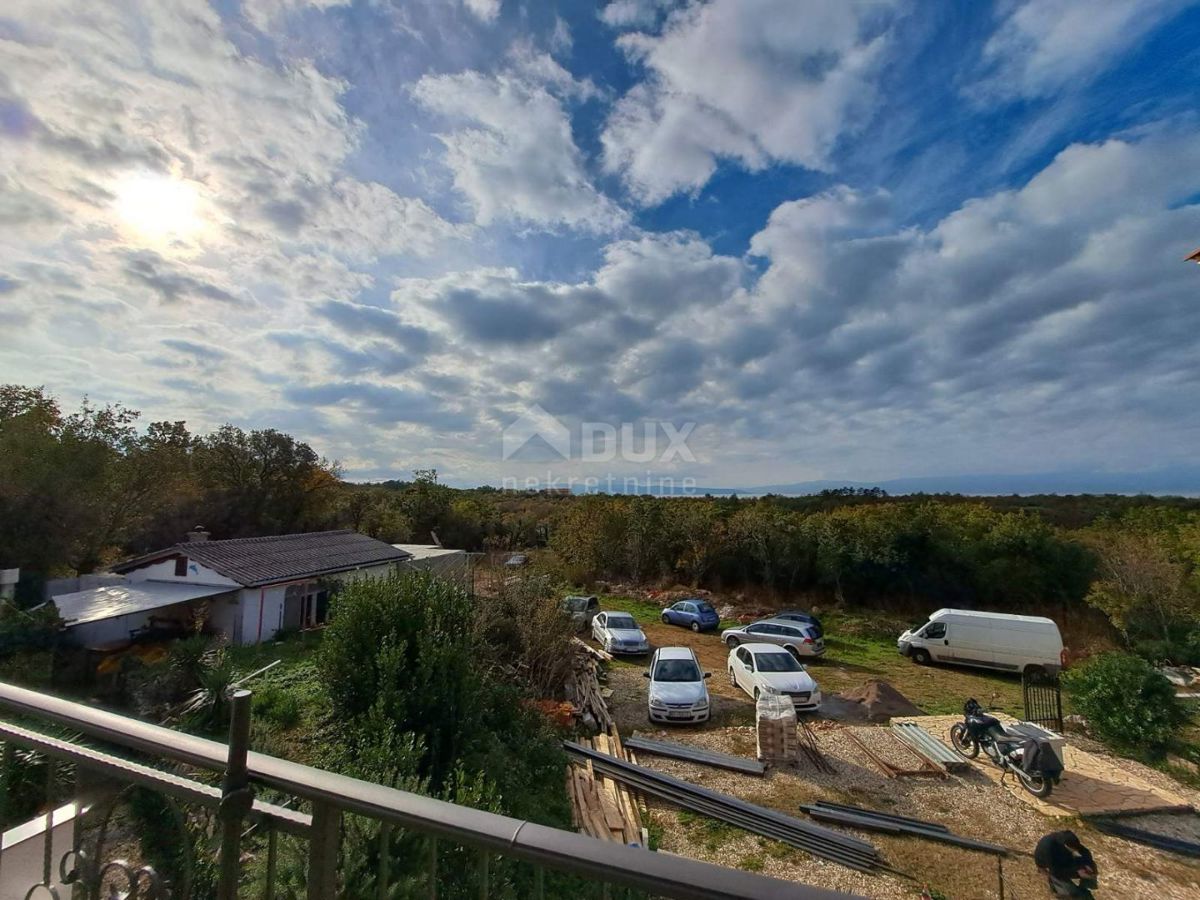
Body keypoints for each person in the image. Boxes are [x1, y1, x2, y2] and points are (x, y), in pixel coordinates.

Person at [1034, 830, 1098, 898]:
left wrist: (1087, 864)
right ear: (1066, 845)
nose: (1075, 851)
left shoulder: (1068, 840)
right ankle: (1057, 888)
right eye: (1073, 849)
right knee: (1070, 892)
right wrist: (1077, 872)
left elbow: (1085, 852)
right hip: (1050, 865)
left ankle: (1085, 886)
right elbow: (1056, 871)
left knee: (1091, 866)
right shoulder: (1049, 848)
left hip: (1064, 858)